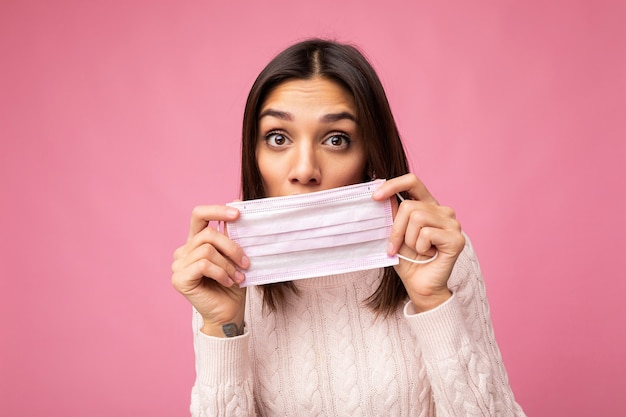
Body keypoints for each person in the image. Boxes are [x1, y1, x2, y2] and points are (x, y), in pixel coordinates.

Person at [171, 38, 526, 416]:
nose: (305, 169)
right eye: (278, 138)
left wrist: (433, 301)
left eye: (336, 139)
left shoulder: (437, 254)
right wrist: (222, 327)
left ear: (370, 153)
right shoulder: (227, 276)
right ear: (253, 153)